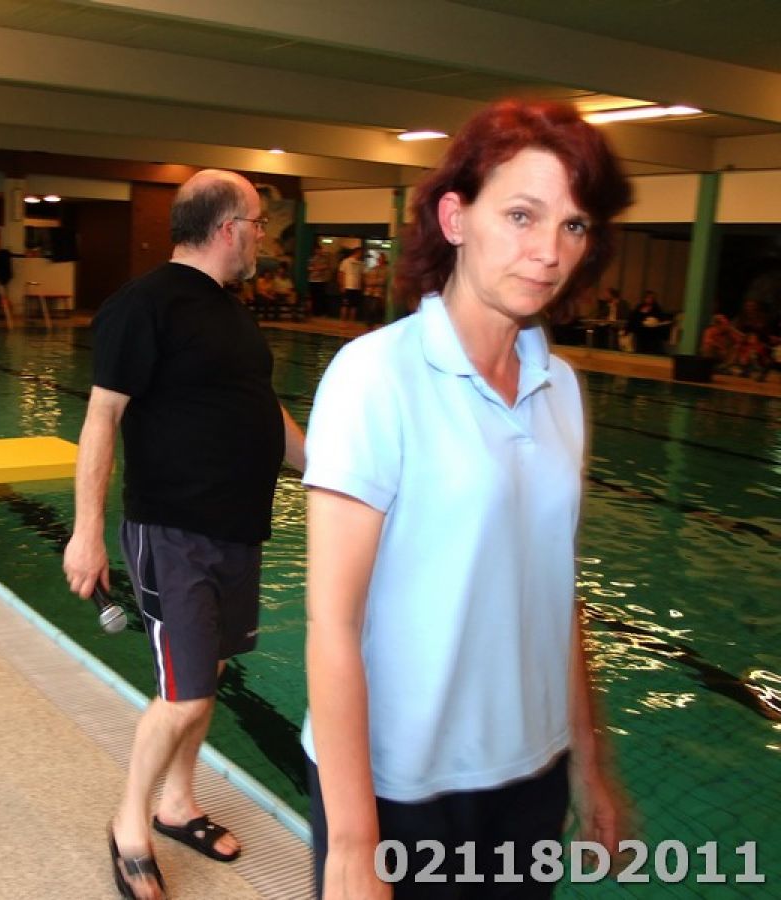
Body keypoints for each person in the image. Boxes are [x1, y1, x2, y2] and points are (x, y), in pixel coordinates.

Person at [303, 98, 633, 900]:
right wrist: (353, 845)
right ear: (455, 218)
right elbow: (331, 623)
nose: (548, 251)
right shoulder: (375, 377)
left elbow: (556, 591)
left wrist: (591, 763)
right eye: (522, 215)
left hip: (531, 776)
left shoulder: (561, 389)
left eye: (573, 225)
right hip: (401, 786)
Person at [63, 168, 305, 900]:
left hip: (236, 530)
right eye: (258, 223)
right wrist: (86, 532)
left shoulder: (230, 312)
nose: (263, 236)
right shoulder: (143, 305)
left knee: (208, 676)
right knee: (185, 693)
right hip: (172, 530)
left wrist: (334, 469)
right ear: (228, 228)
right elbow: (102, 418)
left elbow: (259, 409)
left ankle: (177, 803)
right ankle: (130, 826)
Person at [626, 290, 671, 354]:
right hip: (641, 333)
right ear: (645, 298)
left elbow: (662, 319)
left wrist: (655, 322)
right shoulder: (639, 307)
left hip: (653, 334)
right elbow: (633, 319)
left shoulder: (657, 308)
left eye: (651, 298)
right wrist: (641, 314)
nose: (649, 299)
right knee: (640, 351)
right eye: (648, 297)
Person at [337, 245, 364, 323]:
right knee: (345, 305)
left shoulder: (361, 263)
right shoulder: (346, 261)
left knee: (354, 306)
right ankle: (343, 322)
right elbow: (341, 274)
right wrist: (342, 285)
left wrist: (362, 286)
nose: (361, 255)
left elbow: (362, 276)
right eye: (360, 253)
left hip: (357, 288)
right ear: (356, 252)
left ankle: (351, 322)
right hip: (347, 287)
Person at [362, 253, 389, 329]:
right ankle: (368, 324)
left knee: (374, 308)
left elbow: (383, 281)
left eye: (381, 259)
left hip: (378, 293)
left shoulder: (387, 270)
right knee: (367, 308)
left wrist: (373, 282)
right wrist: (373, 282)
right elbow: (366, 280)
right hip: (368, 292)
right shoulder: (373, 268)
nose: (379, 260)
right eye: (379, 259)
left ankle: (373, 324)